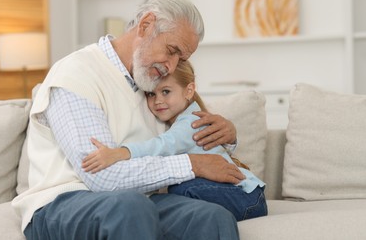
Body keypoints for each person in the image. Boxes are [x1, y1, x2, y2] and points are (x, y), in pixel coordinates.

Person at [12, 0, 245, 239]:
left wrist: (226, 135)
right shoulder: (76, 72)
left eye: (181, 59)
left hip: (139, 200)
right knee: (130, 208)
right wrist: (192, 164)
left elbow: (184, 135)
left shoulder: (152, 83)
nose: (172, 66)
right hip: (62, 203)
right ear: (145, 26)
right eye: (171, 51)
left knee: (212, 217)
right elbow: (101, 177)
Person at [82, 60, 268, 221]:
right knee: (180, 189)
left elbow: (163, 145)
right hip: (241, 197)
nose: (158, 101)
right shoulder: (177, 119)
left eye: (166, 91)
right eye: (151, 94)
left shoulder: (191, 123)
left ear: (189, 91)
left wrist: (118, 153)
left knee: (182, 190)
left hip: (248, 199)